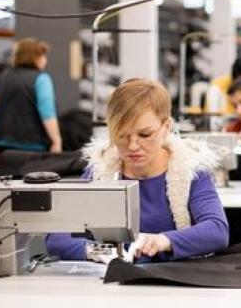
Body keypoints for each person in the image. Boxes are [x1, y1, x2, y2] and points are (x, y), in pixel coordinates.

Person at [46, 79, 229, 262]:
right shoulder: (100, 173)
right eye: (121, 135)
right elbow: (57, 236)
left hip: (171, 277)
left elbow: (217, 230)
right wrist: (96, 251)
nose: (133, 146)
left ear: (166, 127)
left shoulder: (191, 171)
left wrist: (163, 241)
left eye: (145, 135)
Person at [0, 38, 62, 153]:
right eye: (43, 56)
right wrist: (56, 140)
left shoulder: (4, 76)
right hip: (33, 144)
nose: (45, 60)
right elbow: (47, 112)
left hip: (3, 143)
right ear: (35, 57)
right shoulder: (41, 79)